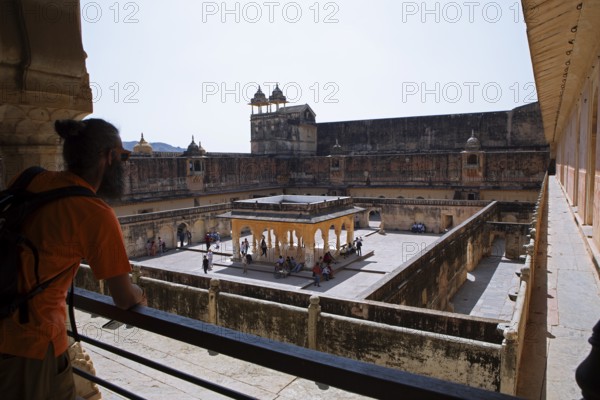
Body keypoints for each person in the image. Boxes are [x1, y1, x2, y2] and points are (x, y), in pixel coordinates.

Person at [0, 119, 146, 400]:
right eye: (124, 157)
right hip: (29, 343)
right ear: (110, 157)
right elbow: (124, 297)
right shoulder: (94, 213)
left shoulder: (28, 179)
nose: (125, 164)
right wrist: (141, 294)